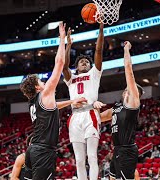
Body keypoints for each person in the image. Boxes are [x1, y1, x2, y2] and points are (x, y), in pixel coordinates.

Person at [19, 22, 87, 180]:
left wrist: (72, 101)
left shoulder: (34, 102)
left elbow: (54, 106)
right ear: (37, 87)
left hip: (33, 150)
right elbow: (59, 64)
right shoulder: (44, 94)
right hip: (43, 151)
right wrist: (62, 39)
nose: (44, 83)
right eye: (41, 81)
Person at [93, 41, 144, 180]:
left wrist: (126, 49)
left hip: (127, 149)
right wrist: (94, 105)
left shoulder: (133, 104)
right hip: (117, 149)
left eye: (132, 90)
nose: (129, 90)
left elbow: (128, 70)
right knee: (112, 177)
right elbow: (99, 118)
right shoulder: (116, 107)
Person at [63, 23, 104, 180]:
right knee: (79, 160)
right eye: (81, 62)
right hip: (75, 117)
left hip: (90, 114)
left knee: (92, 156)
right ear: (77, 67)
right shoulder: (70, 78)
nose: (85, 62)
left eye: (87, 61)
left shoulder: (95, 73)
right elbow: (64, 65)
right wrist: (69, 45)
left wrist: (101, 29)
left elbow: (99, 51)